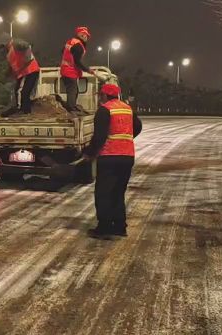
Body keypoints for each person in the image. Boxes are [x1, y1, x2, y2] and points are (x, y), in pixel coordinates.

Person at [83, 84, 142, 240]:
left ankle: (104, 227)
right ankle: (120, 226)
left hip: (109, 156)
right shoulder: (127, 108)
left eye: (100, 94)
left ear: (104, 95)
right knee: (118, 192)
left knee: (103, 193)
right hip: (127, 156)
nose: (99, 97)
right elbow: (138, 126)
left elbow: (99, 137)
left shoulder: (104, 110)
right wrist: (126, 138)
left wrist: (89, 153)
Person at [60, 26, 106, 113]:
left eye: (87, 36)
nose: (86, 37)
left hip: (65, 70)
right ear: (79, 35)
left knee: (74, 90)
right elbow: (77, 62)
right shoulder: (78, 46)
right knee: (72, 90)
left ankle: (72, 106)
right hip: (70, 71)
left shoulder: (71, 42)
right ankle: (71, 108)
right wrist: (88, 69)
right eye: (84, 35)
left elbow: (63, 51)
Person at [0, 35, 41, 117]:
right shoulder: (9, 53)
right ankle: (24, 110)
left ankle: (22, 110)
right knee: (20, 91)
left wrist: (27, 60)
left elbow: (27, 46)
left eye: (2, 46)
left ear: (6, 43)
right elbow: (11, 67)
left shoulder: (15, 44)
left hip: (29, 70)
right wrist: (4, 77)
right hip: (23, 73)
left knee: (21, 91)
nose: (1, 49)